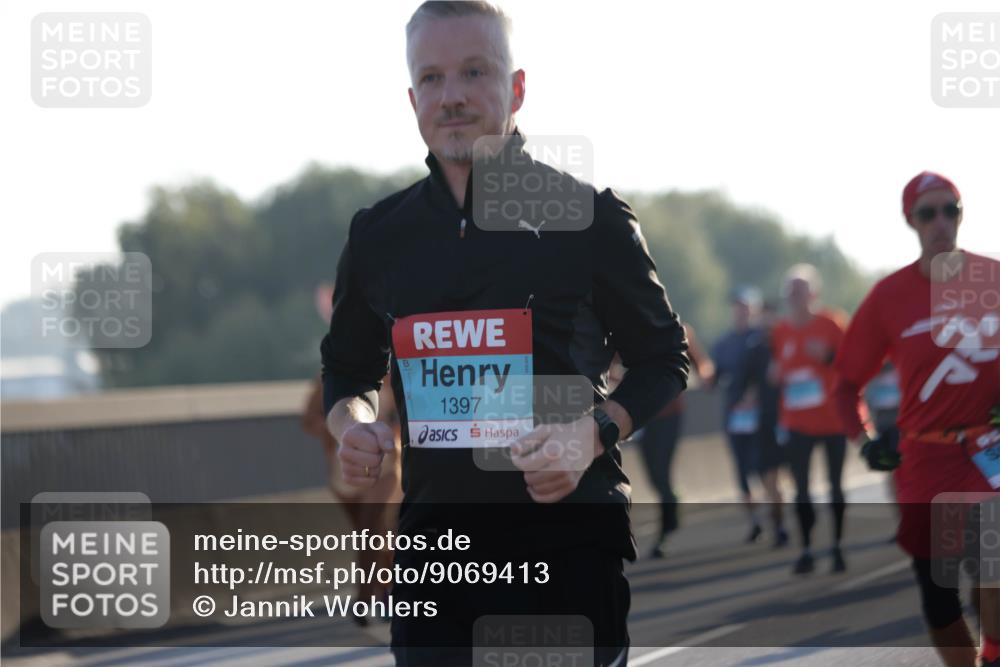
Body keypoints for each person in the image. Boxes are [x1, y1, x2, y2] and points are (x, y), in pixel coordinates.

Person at [319, 3, 689, 664]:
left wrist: (591, 434)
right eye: (430, 78)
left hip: (567, 550)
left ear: (516, 88)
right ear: (411, 99)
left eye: (474, 72)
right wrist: (354, 427)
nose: (452, 95)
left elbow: (666, 358)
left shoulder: (590, 218)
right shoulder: (378, 234)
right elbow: (347, 371)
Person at [833, 171, 1000, 667]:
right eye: (929, 213)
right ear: (911, 221)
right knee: (939, 585)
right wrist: (863, 440)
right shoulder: (889, 297)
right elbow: (845, 383)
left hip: (990, 447)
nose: (942, 222)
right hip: (925, 456)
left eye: (952, 210)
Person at [770, 265, 850, 574]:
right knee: (800, 489)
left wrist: (828, 357)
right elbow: (777, 367)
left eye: (800, 291)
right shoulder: (780, 331)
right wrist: (775, 374)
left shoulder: (833, 323)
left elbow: (855, 364)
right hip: (796, 422)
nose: (795, 297)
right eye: (790, 291)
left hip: (833, 420)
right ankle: (806, 550)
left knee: (835, 486)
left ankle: (837, 546)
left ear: (814, 294)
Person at [636, 323, 714, 558]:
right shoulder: (627, 328)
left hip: (670, 413)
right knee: (652, 474)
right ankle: (671, 502)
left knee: (662, 470)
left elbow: (702, 363)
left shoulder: (679, 330)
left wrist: (708, 376)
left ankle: (664, 532)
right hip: (640, 415)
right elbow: (608, 365)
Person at [711, 286, 769, 543]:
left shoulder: (765, 338)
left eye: (745, 308)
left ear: (754, 311)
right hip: (735, 417)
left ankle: (776, 517)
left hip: (761, 416)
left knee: (764, 468)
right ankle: (755, 520)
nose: (741, 312)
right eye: (737, 308)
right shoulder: (724, 344)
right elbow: (714, 378)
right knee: (742, 471)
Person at [733, 298, 789, 548]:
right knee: (770, 478)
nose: (767, 322)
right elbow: (744, 382)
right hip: (766, 422)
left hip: (791, 418)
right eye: (763, 317)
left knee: (791, 475)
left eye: (771, 317)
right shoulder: (754, 348)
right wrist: (747, 396)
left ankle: (787, 518)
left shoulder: (788, 343)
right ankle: (779, 526)